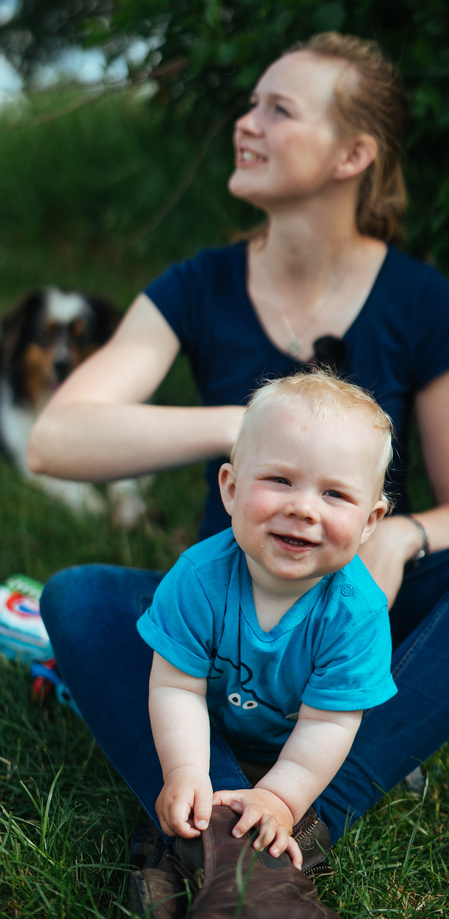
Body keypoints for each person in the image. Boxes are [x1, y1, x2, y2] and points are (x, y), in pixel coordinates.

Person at [28, 32, 449, 918]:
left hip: (356, 608)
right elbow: (58, 438)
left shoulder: (417, 298)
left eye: (277, 109)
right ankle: (227, 829)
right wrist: (253, 427)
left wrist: (398, 534)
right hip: (220, 618)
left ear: (352, 154)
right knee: (81, 596)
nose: (247, 124)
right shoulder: (199, 286)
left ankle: (279, 826)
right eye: (250, 104)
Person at [139, 369, 397, 869]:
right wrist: (187, 770)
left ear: (369, 523)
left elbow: (328, 723)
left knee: (342, 735)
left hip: (301, 743)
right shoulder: (197, 579)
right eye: (280, 480)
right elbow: (176, 688)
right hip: (217, 728)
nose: (302, 508)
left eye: (335, 495)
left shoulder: (356, 613)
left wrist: (280, 797)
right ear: (231, 489)